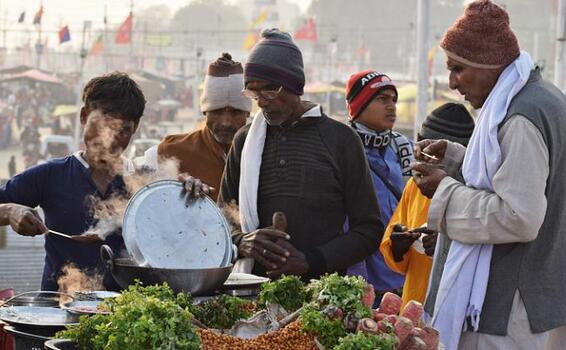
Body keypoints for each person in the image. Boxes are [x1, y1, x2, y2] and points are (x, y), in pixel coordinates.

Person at [412, 1, 566, 349]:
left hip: (509, 303)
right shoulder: (538, 97)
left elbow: (519, 217)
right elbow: (517, 173)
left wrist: (445, 191)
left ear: (488, 65)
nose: (452, 82)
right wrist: (455, 160)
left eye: (458, 69)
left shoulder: (520, 117)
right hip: (535, 291)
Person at [218, 29, 383, 280]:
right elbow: (220, 218)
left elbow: (369, 230)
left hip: (322, 298)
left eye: (270, 90)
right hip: (252, 293)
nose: (261, 101)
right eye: (253, 92)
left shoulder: (341, 140)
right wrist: (242, 241)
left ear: (295, 85)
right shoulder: (245, 140)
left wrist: (310, 261)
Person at [0, 73, 146, 291]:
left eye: (124, 130)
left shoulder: (145, 182)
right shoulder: (50, 174)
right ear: (84, 116)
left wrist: (188, 191)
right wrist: (9, 211)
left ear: (135, 129)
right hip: (57, 310)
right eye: (105, 124)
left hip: (125, 316)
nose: (112, 138)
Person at [379, 103, 474, 310]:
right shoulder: (415, 186)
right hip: (413, 303)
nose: (422, 160)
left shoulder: (473, 191)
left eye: (431, 156)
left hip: (455, 307)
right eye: (420, 150)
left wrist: (445, 244)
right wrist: (398, 246)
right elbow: (393, 250)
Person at [343, 70, 414, 302]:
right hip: (365, 282)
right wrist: (359, 287)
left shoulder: (404, 149)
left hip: (406, 279)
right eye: (382, 99)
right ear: (359, 105)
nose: (391, 107)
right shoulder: (342, 150)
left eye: (394, 100)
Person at [144, 53, 252, 200]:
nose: (226, 122)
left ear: (247, 113)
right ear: (204, 111)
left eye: (235, 113)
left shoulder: (260, 152)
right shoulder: (171, 151)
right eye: (217, 112)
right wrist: (176, 188)